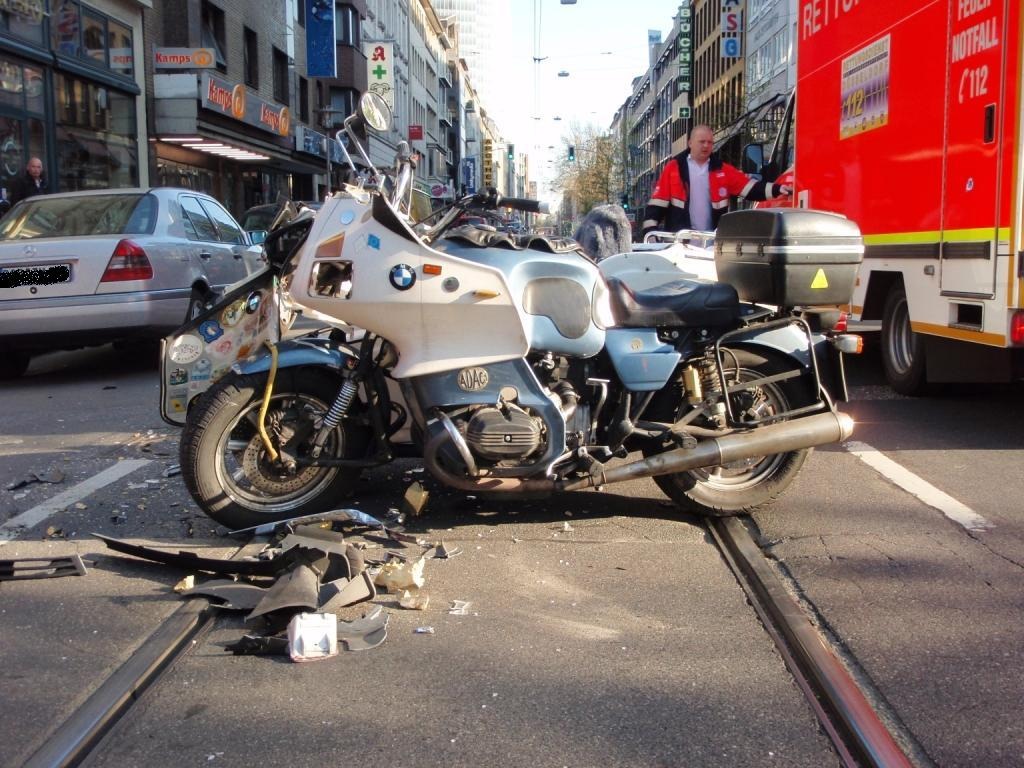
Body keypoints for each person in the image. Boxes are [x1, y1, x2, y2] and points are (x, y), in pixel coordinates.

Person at [641, 125, 791, 237]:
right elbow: (657, 205)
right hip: (680, 242)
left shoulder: (722, 170)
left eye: (710, 142)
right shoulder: (674, 168)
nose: (706, 145)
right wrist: (650, 232)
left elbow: (750, 188)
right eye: (702, 142)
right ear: (690, 143)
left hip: (712, 242)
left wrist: (778, 189)